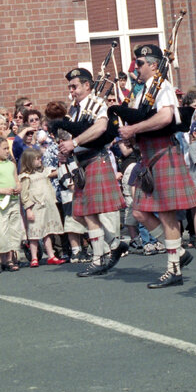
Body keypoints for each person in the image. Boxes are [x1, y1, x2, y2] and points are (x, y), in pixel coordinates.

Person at [117, 44, 196, 288]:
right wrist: (131, 135)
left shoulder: (163, 86)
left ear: (153, 64)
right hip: (147, 156)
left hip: (164, 152)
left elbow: (165, 117)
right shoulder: (141, 92)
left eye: (139, 63)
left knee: (166, 213)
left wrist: (134, 129)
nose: (136, 68)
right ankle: (179, 252)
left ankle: (174, 268)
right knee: (140, 211)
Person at [57, 68, 128, 277]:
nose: (71, 91)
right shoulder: (75, 109)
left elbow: (99, 128)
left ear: (87, 85)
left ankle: (99, 259)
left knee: (89, 213)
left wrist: (74, 142)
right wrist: (66, 152)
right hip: (82, 163)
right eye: (70, 87)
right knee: (83, 214)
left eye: (75, 86)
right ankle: (114, 244)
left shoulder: (96, 104)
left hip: (96, 159)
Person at [19, 148, 64, 267]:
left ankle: (51, 255)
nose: (40, 161)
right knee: (34, 233)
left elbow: (53, 173)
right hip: (36, 207)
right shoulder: (26, 177)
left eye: (40, 158)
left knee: (47, 232)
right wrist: (28, 209)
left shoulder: (43, 172)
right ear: (29, 161)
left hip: (47, 206)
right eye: (37, 159)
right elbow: (24, 195)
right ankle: (34, 257)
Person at [0, 135, 24, 272]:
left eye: (8, 148)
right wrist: (2, 191)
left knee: (13, 230)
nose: (7, 151)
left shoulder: (11, 165)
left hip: (13, 201)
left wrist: (18, 187)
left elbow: (17, 180)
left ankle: (10, 258)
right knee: (1, 231)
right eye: (4, 149)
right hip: (0, 202)